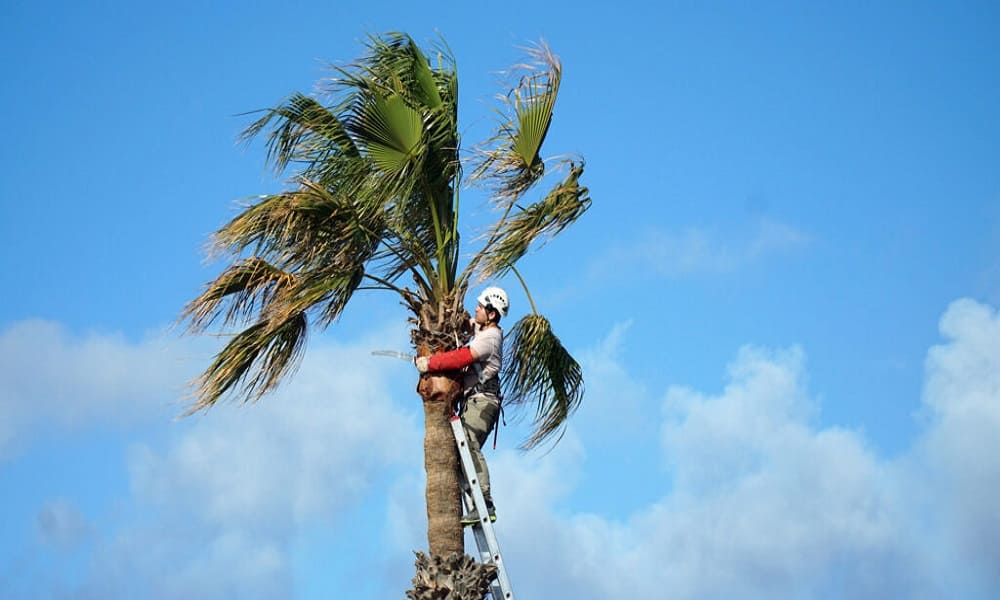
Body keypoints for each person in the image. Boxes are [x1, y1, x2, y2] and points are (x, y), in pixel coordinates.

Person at [415, 286, 508, 525]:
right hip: (474, 401)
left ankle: (484, 503)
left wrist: (430, 364)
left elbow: (462, 357)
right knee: (459, 451)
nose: (476, 309)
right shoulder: (482, 328)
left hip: (483, 402)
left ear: (492, 314)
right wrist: (447, 314)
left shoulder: (491, 337)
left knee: (469, 442)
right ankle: (477, 500)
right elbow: (466, 323)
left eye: (481, 306)